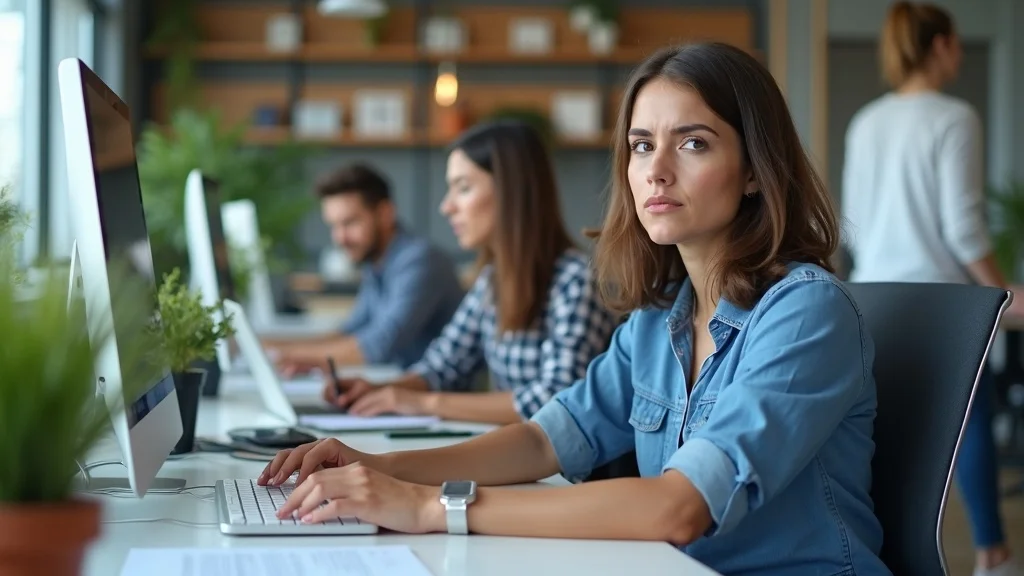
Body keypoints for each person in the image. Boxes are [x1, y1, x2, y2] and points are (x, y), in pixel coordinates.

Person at [258, 43, 892, 575]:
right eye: (642, 146)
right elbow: (543, 440)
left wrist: (432, 506)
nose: (656, 172)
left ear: (754, 170)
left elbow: (679, 508)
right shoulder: (657, 321)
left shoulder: (805, 312)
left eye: (693, 144)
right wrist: (376, 467)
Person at [842, 3, 1022, 575]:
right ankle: (991, 553)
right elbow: (963, 226)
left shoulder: (866, 121)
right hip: (942, 303)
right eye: (957, 43)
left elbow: (851, 218)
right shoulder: (954, 117)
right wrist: (1002, 293)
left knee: (885, 431)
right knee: (969, 425)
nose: (960, 53)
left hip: (871, 296)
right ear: (941, 45)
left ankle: (886, 554)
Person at [320, 121, 619, 425]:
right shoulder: (493, 280)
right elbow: (442, 367)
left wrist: (422, 402)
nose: (446, 206)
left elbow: (556, 400)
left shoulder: (576, 280)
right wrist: (379, 389)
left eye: (463, 188)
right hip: (516, 455)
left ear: (511, 192)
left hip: (570, 471)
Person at [266, 163, 464, 375]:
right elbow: (350, 332)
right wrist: (274, 349)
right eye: (333, 226)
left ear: (385, 214)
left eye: (350, 223)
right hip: (404, 390)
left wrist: (296, 356)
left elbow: (378, 346)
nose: (340, 238)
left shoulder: (420, 261)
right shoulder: (377, 262)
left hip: (439, 399)